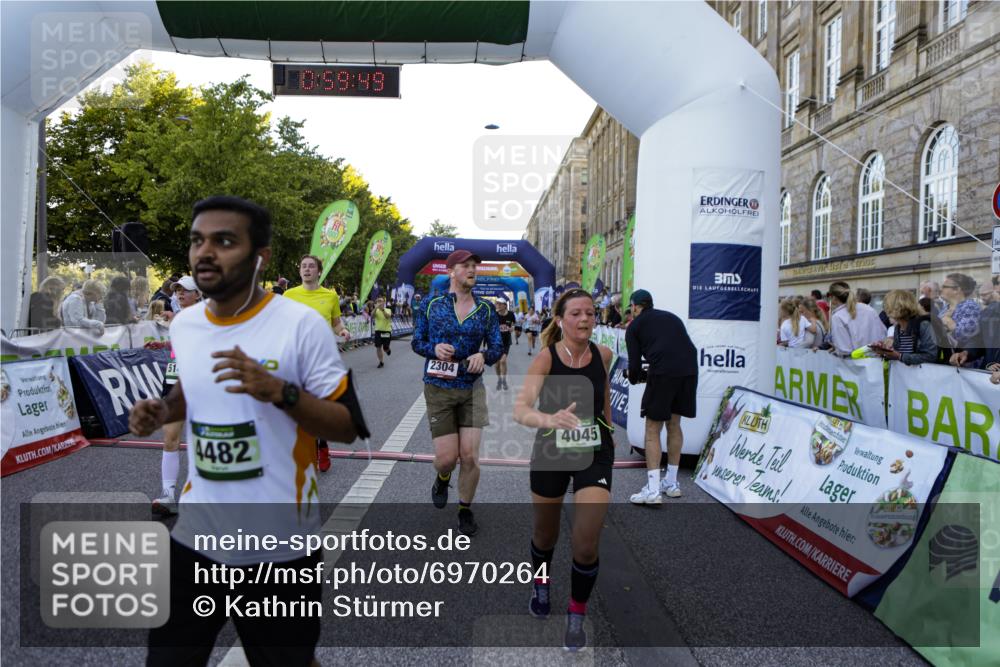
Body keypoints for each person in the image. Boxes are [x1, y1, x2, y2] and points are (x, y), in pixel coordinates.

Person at [129, 195, 365, 667]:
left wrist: (281, 391)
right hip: (197, 536)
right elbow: (190, 391)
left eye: (224, 240)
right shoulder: (186, 324)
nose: (205, 252)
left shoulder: (299, 325)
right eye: (198, 240)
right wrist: (161, 409)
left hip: (279, 548)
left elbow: (347, 426)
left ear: (262, 256)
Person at [513, 288, 614, 651]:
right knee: (545, 536)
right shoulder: (545, 358)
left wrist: (608, 433)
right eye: (576, 314)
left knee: (586, 543)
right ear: (560, 319)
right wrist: (548, 418)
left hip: (593, 451)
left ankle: (577, 612)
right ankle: (541, 582)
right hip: (551, 449)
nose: (585, 319)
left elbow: (603, 399)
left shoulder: (604, 354)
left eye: (590, 313)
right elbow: (521, 409)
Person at [411, 249, 503, 537]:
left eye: (475, 265)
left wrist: (484, 356)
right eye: (466, 265)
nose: (473, 269)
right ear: (451, 271)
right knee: (447, 458)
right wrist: (433, 349)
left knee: (470, 456)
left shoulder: (486, 309)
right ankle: (443, 476)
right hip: (439, 387)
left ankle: (465, 510)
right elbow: (417, 341)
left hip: (472, 388)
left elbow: (498, 347)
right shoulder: (431, 304)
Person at [625, 289, 698, 504]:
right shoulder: (671, 317)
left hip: (664, 372)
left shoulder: (634, 326)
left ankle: (653, 490)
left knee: (652, 428)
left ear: (636, 307)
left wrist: (635, 377)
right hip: (689, 370)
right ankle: (671, 483)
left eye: (632, 308)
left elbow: (635, 366)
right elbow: (677, 348)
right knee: (674, 424)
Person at [283, 254, 352, 473]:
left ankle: (321, 445)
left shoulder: (329, 296)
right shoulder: (289, 294)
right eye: (303, 266)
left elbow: (336, 322)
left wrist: (342, 330)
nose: (307, 269)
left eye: (311, 266)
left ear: (319, 271)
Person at [151, 275, 202, 516]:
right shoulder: (178, 317)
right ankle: (168, 493)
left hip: (198, 383)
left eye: (186, 291)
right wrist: (162, 346)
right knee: (170, 436)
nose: (180, 294)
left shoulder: (207, 317)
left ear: (197, 295)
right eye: (178, 290)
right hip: (173, 381)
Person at [869, 290, 938, 365]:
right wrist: (885, 352)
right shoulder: (898, 327)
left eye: (887, 306)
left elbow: (931, 356)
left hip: (924, 375)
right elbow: (899, 355)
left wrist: (899, 356)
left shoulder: (924, 324)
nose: (885, 310)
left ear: (897, 307)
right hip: (907, 375)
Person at [951, 276, 1000, 373]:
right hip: (987, 377)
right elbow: (978, 340)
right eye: (997, 283)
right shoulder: (989, 312)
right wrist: (966, 353)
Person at [826, 281, 887, 356]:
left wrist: (837, 349)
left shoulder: (837, 317)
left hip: (854, 364)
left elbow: (844, 350)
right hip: (877, 361)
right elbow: (883, 334)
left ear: (833, 297)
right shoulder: (869, 309)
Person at [939, 273, 981, 350]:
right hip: (943, 356)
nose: (940, 289)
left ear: (957, 289)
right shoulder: (945, 308)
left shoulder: (970, 307)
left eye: (944, 286)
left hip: (963, 358)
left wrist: (948, 320)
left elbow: (966, 336)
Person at [495, 299, 517, 390]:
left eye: (500, 304)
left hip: (506, 341)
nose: (498, 306)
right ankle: (499, 379)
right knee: (496, 364)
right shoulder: (494, 315)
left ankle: (504, 380)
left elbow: (514, 324)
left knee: (503, 361)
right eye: (497, 304)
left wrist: (513, 328)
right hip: (495, 342)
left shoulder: (511, 314)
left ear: (505, 305)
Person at [372, 296, 393, 368]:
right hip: (378, 331)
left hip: (386, 331)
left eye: (381, 301)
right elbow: (372, 316)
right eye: (378, 301)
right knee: (378, 347)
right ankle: (381, 362)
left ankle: (387, 350)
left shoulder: (388, 309)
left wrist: (382, 310)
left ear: (384, 302)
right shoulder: (376, 310)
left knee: (385, 348)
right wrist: (375, 308)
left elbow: (387, 316)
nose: (380, 302)